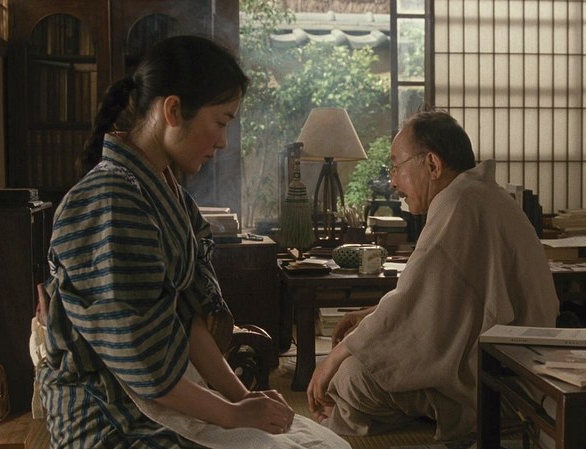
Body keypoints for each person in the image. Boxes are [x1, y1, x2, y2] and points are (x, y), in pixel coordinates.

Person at [35, 35, 350, 449]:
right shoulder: (111, 201)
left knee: (327, 443)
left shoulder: (168, 194)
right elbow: (141, 362)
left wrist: (242, 397)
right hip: (111, 414)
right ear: (173, 110)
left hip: (164, 393)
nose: (222, 141)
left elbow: (186, 316)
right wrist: (233, 414)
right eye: (220, 122)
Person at [306, 110, 560, 440]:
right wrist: (367, 316)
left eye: (396, 166)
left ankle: (391, 420)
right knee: (360, 360)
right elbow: (435, 297)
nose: (393, 181)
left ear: (432, 165)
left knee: (351, 375)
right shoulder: (480, 195)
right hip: (519, 369)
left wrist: (335, 357)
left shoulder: (459, 202)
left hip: (497, 383)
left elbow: (416, 306)